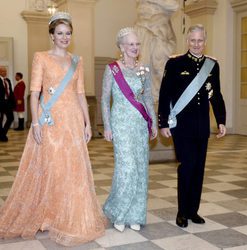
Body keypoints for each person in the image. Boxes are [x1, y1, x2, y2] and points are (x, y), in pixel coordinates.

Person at [0, 12, 106, 246]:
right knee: (51, 166)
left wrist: (88, 123)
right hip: (50, 120)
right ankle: (47, 215)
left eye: (68, 33)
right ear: (51, 36)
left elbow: (80, 94)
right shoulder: (41, 58)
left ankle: (66, 215)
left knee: (72, 168)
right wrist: (35, 122)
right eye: (59, 33)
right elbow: (34, 92)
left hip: (73, 120)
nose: (64, 37)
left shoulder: (77, 61)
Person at [158, 24, 226, 228]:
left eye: (200, 40)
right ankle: (182, 211)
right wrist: (163, 122)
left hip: (202, 126)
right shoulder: (175, 63)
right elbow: (165, 94)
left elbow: (216, 95)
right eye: (193, 40)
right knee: (186, 167)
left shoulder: (212, 65)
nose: (196, 44)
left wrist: (221, 120)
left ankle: (193, 211)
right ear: (187, 41)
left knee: (198, 169)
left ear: (205, 42)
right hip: (181, 126)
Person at [101, 27, 157, 232]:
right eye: (130, 44)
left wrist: (153, 123)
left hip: (140, 125)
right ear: (121, 47)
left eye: (137, 44)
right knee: (127, 169)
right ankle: (119, 212)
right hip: (121, 124)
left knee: (140, 169)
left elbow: (148, 98)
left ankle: (135, 214)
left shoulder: (144, 69)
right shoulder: (112, 69)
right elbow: (105, 99)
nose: (134, 47)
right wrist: (107, 126)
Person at [0, 66, 15, 142]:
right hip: (0, 103)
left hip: (8, 103)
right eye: (3, 71)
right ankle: (2, 136)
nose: (4, 73)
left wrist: (12, 102)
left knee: (11, 118)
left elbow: (11, 92)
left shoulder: (8, 80)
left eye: (5, 71)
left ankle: (2, 134)